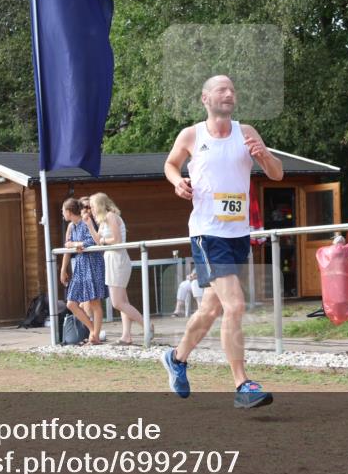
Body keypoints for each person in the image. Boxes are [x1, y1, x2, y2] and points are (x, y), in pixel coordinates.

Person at [162, 74, 283, 409]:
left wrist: (264, 157)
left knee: (212, 307)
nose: (229, 94)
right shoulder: (191, 135)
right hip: (206, 232)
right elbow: (170, 165)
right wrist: (178, 181)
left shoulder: (246, 133)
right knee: (235, 305)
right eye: (221, 90)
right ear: (206, 98)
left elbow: (277, 174)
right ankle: (242, 383)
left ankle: (177, 357)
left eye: (232, 90)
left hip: (237, 234)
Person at [89, 192, 149, 345]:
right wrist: (90, 225)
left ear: (100, 205)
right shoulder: (102, 221)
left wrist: (102, 240)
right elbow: (98, 242)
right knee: (123, 301)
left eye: (93, 206)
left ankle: (147, 325)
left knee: (117, 303)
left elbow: (117, 240)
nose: (91, 209)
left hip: (118, 259)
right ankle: (126, 336)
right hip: (110, 258)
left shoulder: (111, 216)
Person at [59, 198, 106, 345]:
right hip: (80, 265)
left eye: (63, 211)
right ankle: (92, 330)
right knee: (71, 303)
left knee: (94, 302)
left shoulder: (86, 222)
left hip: (92, 264)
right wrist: (72, 244)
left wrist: (76, 244)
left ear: (68, 211)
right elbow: (70, 244)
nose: (62, 214)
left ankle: (95, 336)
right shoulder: (72, 227)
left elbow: (93, 241)